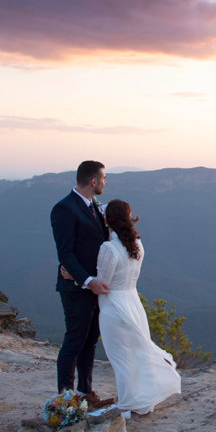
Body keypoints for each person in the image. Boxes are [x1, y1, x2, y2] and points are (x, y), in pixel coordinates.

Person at [95, 199, 181, 418]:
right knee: (136, 354)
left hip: (114, 307)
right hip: (133, 303)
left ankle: (125, 406)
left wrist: (77, 279)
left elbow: (102, 285)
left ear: (107, 220)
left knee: (121, 359)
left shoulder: (109, 248)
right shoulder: (138, 244)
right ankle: (141, 402)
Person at [50, 161, 115, 410]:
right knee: (74, 341)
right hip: (76, 288)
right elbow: (65, 253)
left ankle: (86, 393)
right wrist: (87, 281)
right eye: (104, 178)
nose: (106, 182)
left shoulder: (94, 207)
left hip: (95, 287)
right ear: (93, 181)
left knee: (89, 341)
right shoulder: (64, 209)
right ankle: (65, 400)